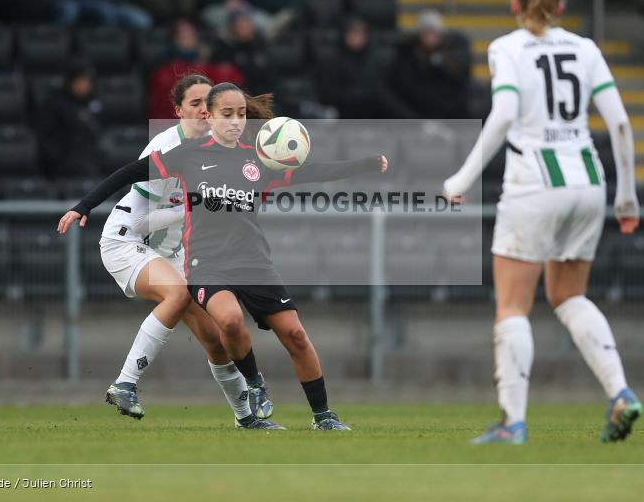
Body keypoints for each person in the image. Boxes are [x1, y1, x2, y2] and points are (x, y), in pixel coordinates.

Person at [59, 82, 389, 430]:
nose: (235, 121)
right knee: (229, 321)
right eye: (226, 114)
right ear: (210, 116)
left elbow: (312, 173)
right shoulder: (187, 155)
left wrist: (365, 164)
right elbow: (130, 172)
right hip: (206, 262)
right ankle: (255, 385)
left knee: (292, 335)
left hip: (254, 263)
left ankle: (322, 416)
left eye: (241, 114)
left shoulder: (257, 158)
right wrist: (85, 206)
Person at [442, 0, 643, 444]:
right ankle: (620, 393)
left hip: (535, 182)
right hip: (589, 181)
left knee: (512, 304)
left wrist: (463, 176)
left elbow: (506, 112)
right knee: (569, 295)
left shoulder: (506, 48)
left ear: (514, 4)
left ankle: (512, 423)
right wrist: (627, 193)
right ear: (561, 7)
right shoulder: (586, 49)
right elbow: (619, 124)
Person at [95, 74, 279, 427]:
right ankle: (124, 384)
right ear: (178, 111)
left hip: (174, 252)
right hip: (127, 239)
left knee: (216, 338)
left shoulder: (220, 147)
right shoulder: (165, 148)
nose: (201, 110)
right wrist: (195, 206)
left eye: (205, 103)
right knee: (177, 295)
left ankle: (247, 420)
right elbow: (141, 222)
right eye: (193, 104)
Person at [315, 16, 416, 119]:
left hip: (371, 107)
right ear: (345, 35)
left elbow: (379, 85)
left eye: (360, 34)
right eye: (353, 34)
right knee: (381, 99)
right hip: (345, 107)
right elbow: (328, 95)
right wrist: (363, 94)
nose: (357, 38)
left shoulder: (372, 59)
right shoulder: (332, 60)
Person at [391, 10, 471, 118]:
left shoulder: (451, 53)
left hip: (447, 110)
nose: (430, 38)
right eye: (426, 33)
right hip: (417, 109)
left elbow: (459, 79)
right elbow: (406, 83)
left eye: (434, 33)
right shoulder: (409, 53)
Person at [36, 59, 102, 178]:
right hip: (63, 167)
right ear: (71, 81)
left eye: (88, 80)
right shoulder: (55, 104)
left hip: (90, 164)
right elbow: (46, 137)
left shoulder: (94, 102)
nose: (86, 85)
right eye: (82, 80)